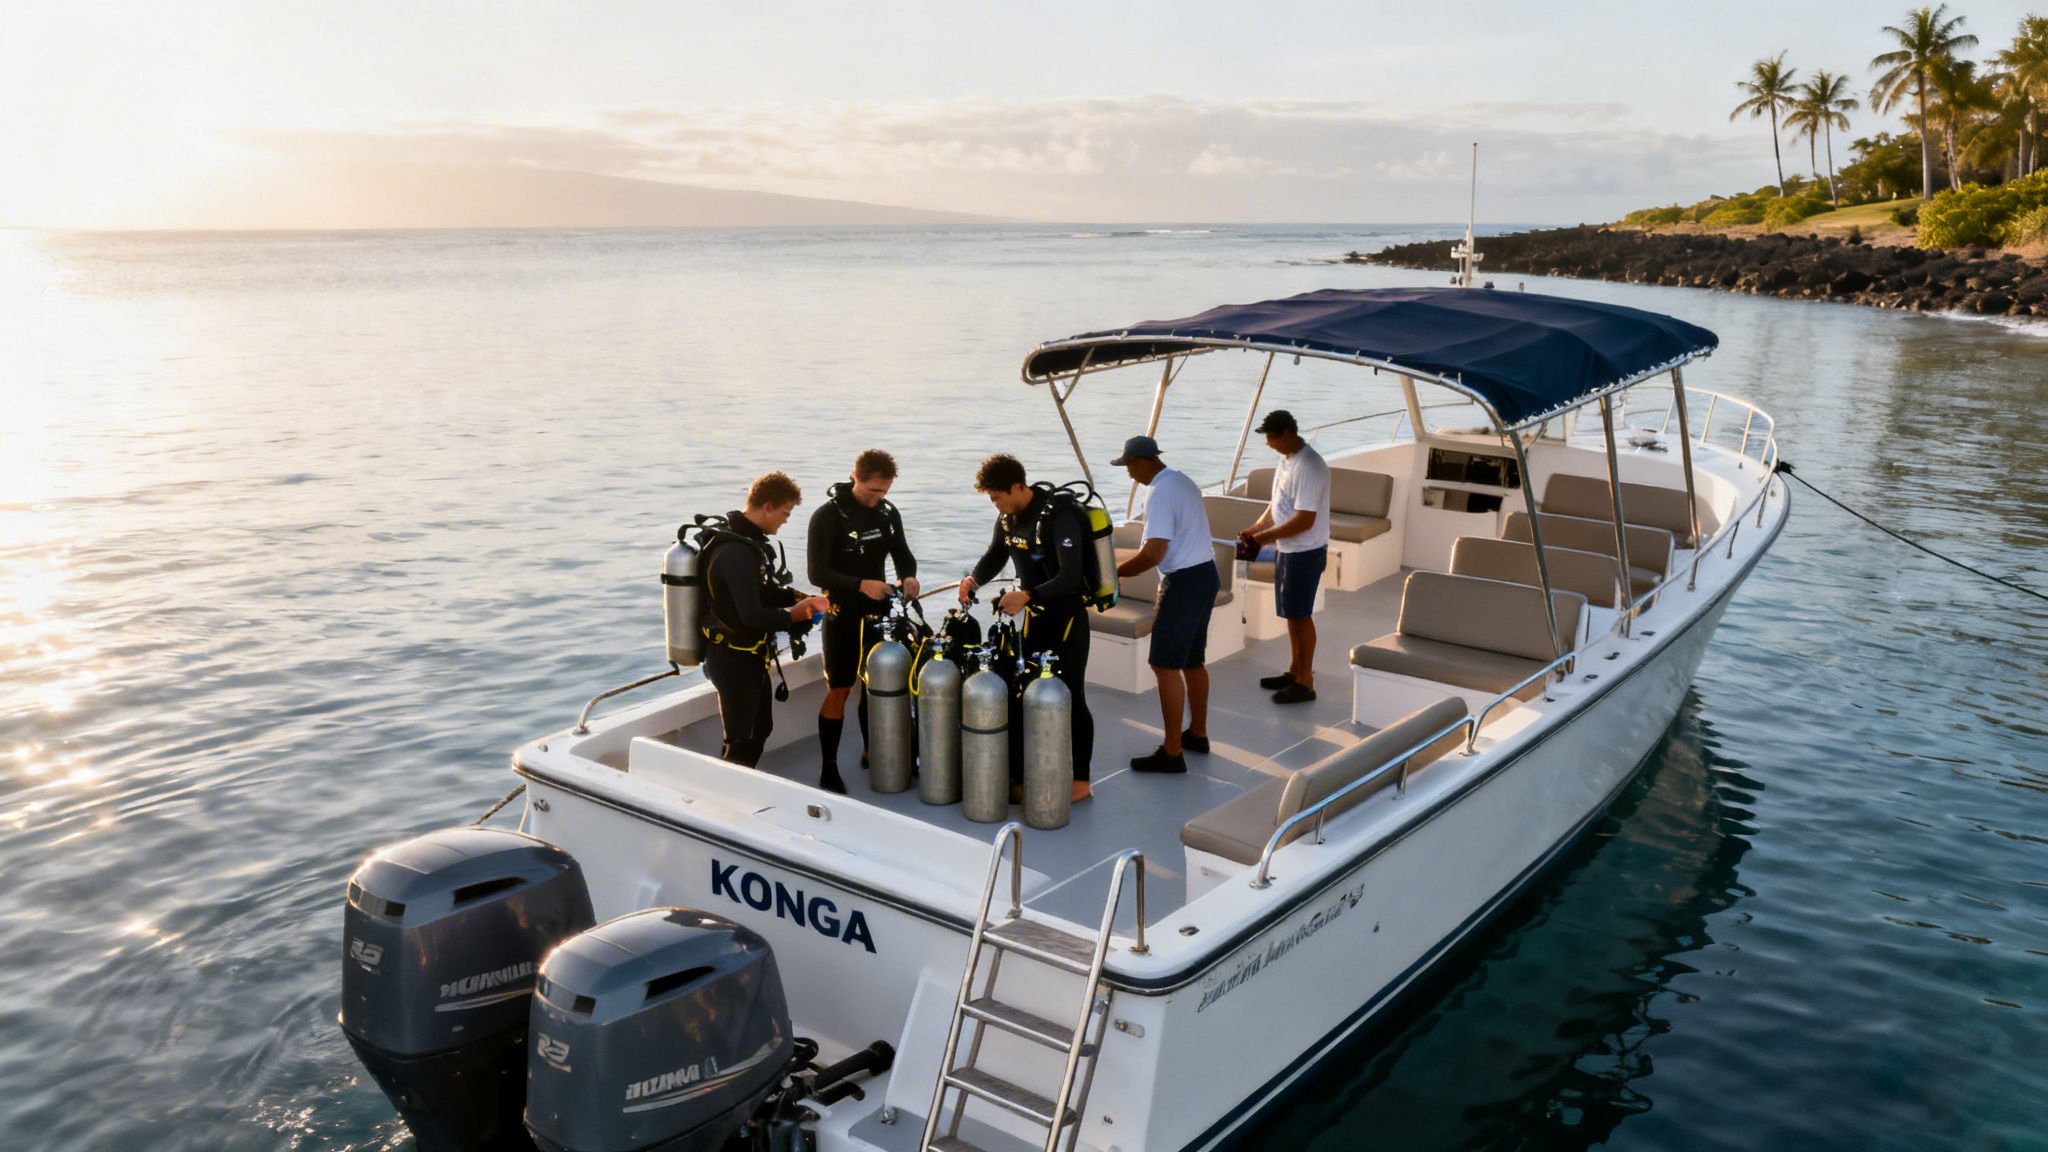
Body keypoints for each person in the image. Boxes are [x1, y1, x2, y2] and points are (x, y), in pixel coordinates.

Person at [959, 454, 1095, 803]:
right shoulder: (1008, 520)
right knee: (1027, 689)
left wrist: (1029, 594)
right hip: (1034, 617)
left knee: (1070, 694)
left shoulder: (1059, 515)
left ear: (1018, 486)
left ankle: (1081, 780)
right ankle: (1029, 768)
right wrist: (973, 580)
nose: (996, 505)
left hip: (1066, 619)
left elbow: (1070, 575)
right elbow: (995, 555)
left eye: (997, 497)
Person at [806, 449, 920, 794]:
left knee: (878, 685)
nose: (878, 499)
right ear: (856, 478)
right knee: (839, 688)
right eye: (872, 491)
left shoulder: (886, 512)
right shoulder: (827, 517)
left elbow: (901, 551)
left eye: (884, 492)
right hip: (843, 614)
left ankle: (874, 751)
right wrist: (860, 584)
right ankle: (829, 768)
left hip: (879, 611)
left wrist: (909, 576)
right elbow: (817, 573)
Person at [699, 472, 831, 768]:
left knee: (759, 731)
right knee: (741, 742)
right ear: (768, 506)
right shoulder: (735, 552)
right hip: (731, 658)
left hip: (749, 656)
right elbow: (752, 615)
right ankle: (726, 805)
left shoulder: (749, 544)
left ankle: (730, 797)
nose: (785, 521)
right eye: (785, 513)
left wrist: (801, 598)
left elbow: (767, 590)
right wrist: (796, 614)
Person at [1111, 435, 1216, 773]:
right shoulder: (1182, 481)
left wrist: (1114, 575)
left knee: (1164, 665)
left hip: (1183, 583)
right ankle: (1197, 734)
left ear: (1143, 461)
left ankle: (1172, 752)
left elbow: (1154, 553)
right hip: (1205, 575)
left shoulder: (1158, 492)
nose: (1128, 474)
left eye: (1128, 466)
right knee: (1193, 661)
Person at [1237, 409, 1329, 704]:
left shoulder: (1309, 466)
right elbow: (1278, 503)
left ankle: (1306, 681)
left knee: (1301, 615)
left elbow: (1304, 520)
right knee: (1291, 614)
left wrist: (1261, 540)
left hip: (1305, 551)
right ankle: (1294, 670)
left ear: (1288, 433)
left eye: (1272, 438)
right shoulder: (1286, 459)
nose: (1268, 444)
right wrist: (1256, 528)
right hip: (1286, 549)